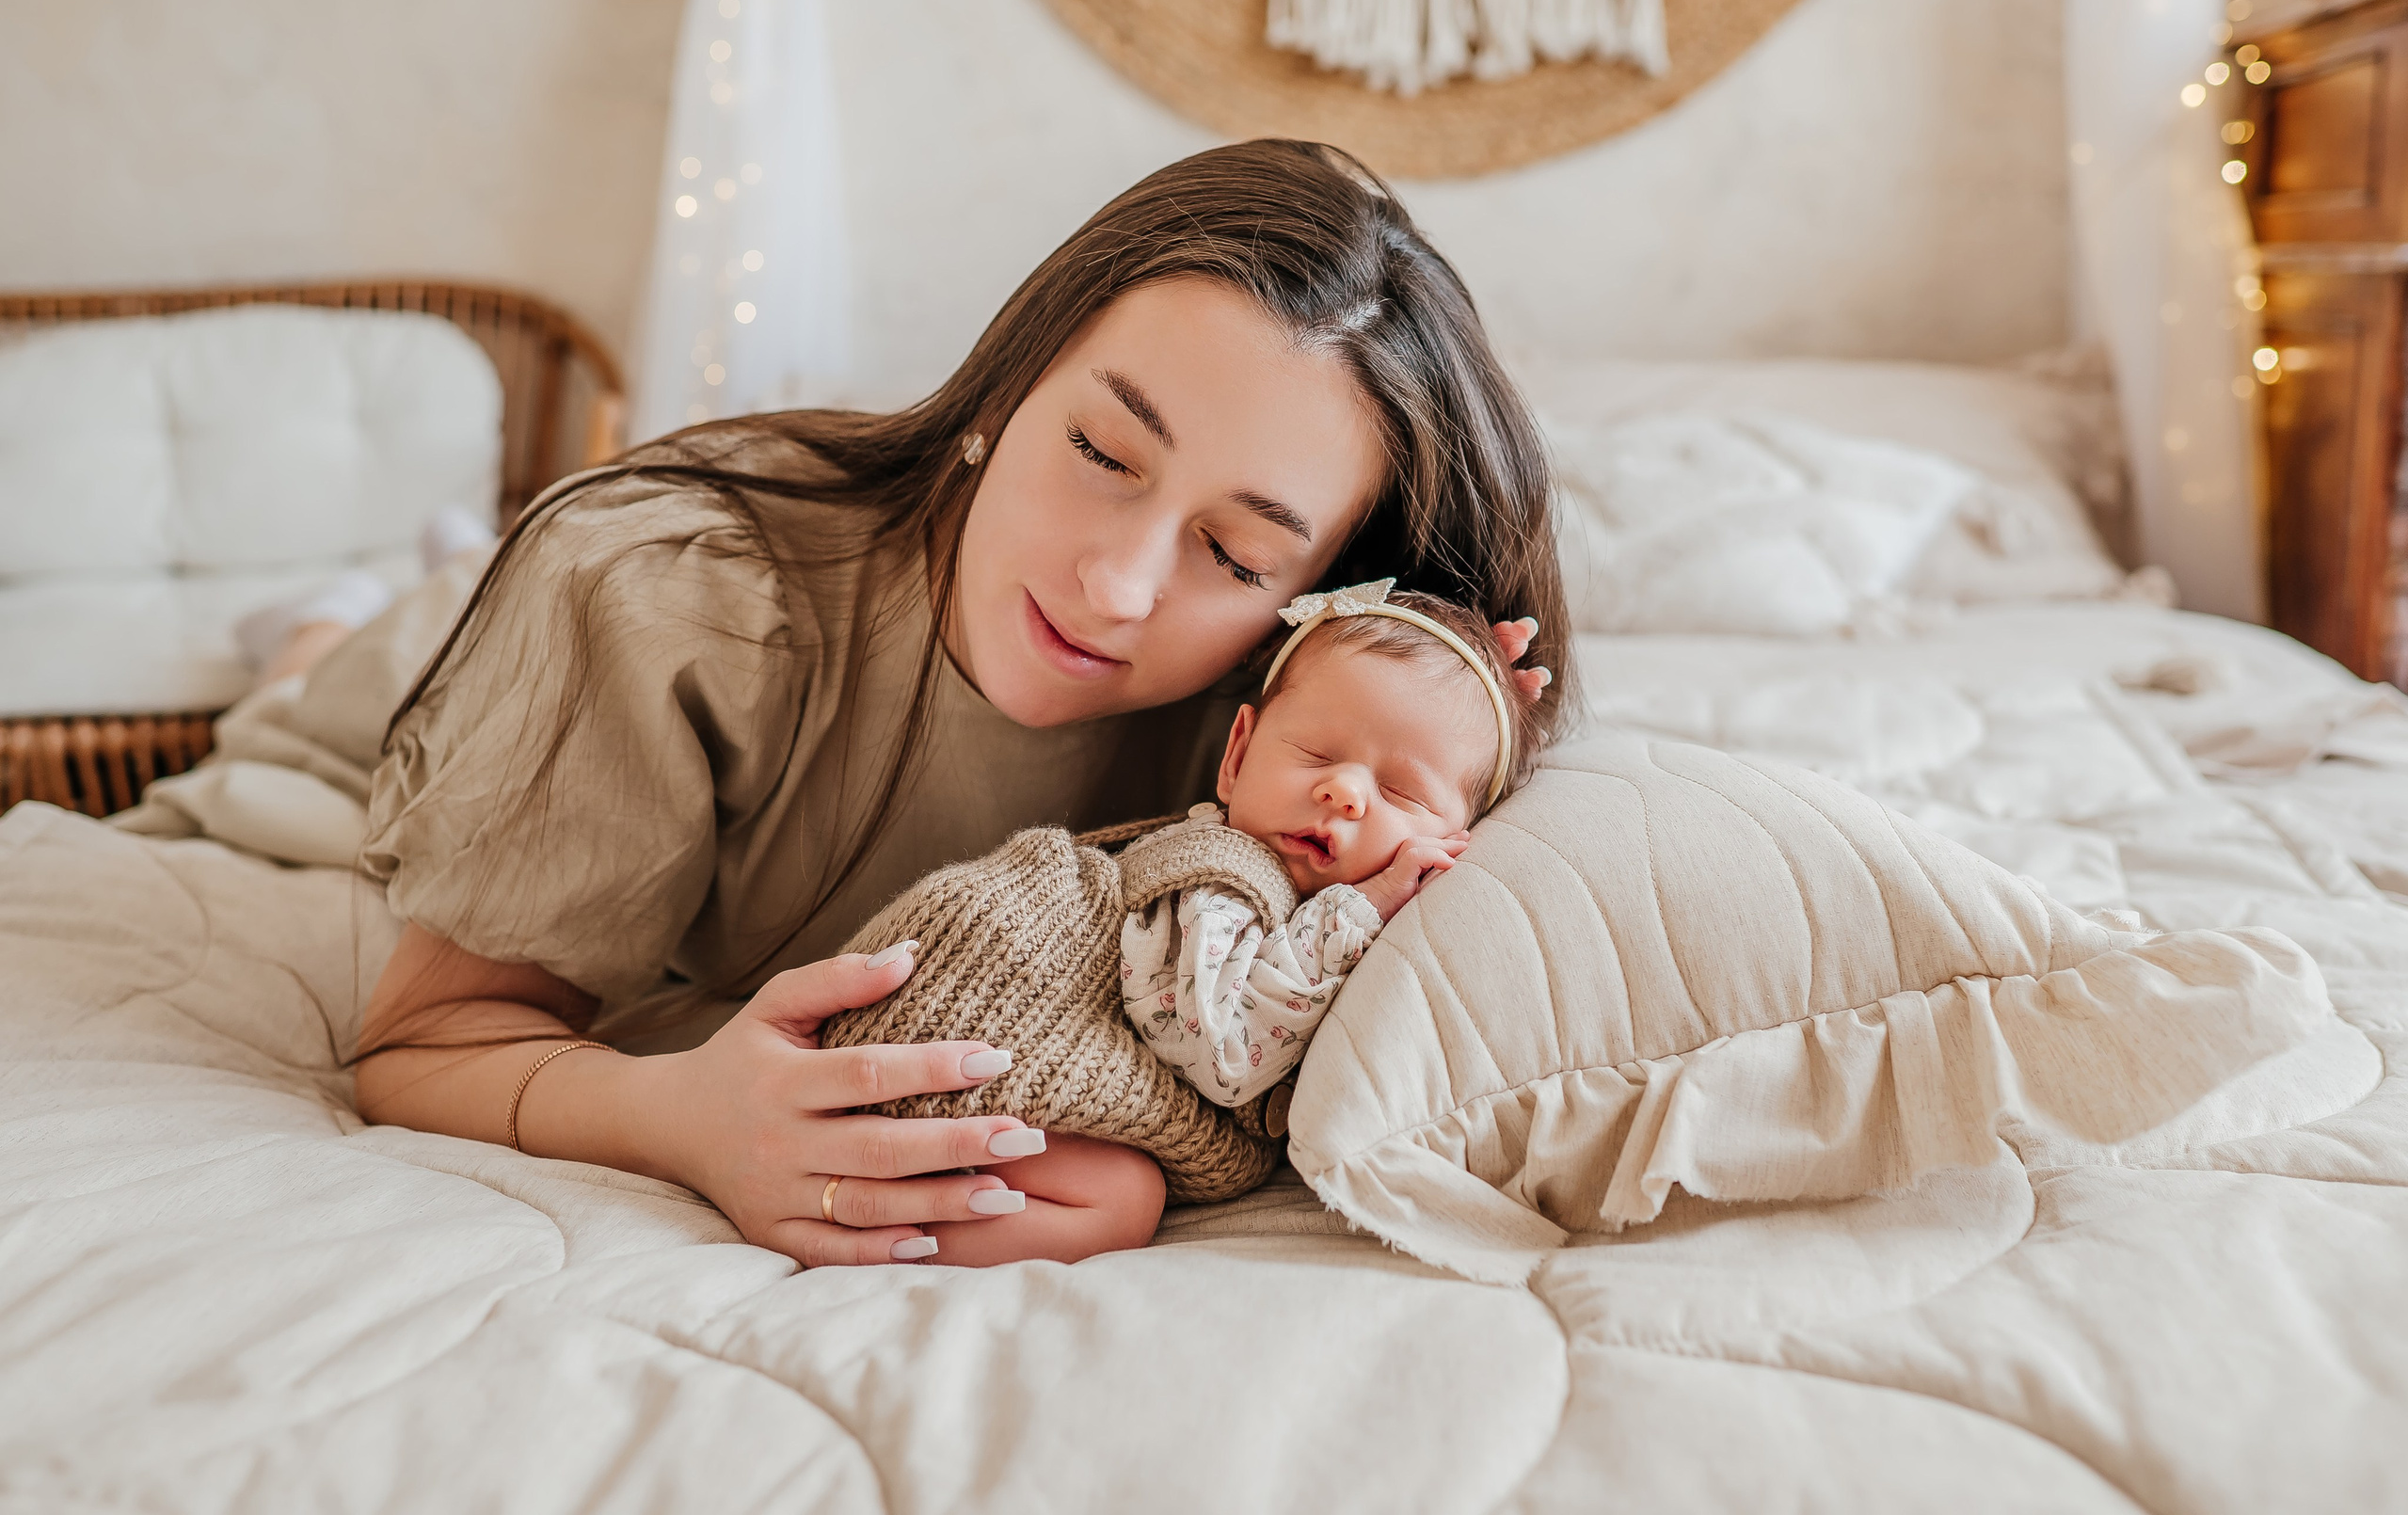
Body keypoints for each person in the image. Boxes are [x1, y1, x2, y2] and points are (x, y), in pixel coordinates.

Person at [347, 139, 1572, 1268]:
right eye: (1101, 453)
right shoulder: (659, 590)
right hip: (502, 653)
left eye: (1241, 558)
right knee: (348, 671)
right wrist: (680, 1115)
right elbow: (424, 1045)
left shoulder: (1295, 719)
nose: (1117, 587)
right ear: (1012, 383)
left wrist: (1458, 716)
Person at [814, 583, 1534, 1266]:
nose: (1342, 791)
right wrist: (1366, 905)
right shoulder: (1220, 880)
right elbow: (1224, 1053)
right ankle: (866, 1236)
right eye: (1316, 753)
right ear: (1237, 756)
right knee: (1121, 1200)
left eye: (1401, 791)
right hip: (973, 1027)